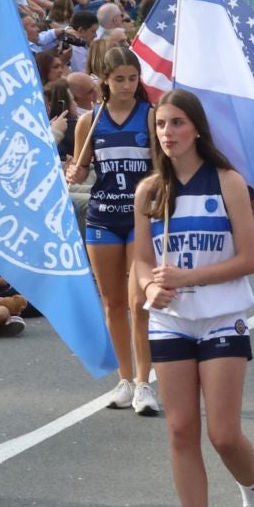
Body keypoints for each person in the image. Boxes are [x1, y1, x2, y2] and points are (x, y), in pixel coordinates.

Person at [131, 89, 254, 507]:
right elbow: (142, 261)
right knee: (180, 429)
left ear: (196, 128)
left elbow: (248, 260)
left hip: (221, 316)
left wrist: (187, 277)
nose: (168, 133)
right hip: (170, 322)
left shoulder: (228, 182)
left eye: (177, 123)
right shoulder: (149, 191)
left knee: (224, 433)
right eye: (161, 125)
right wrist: (151, 285)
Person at [67, 46, 159, 416]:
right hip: (102, 217)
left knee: (138, 302)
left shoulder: (150, 117)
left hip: (140, 219)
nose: (126, 85)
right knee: (113, 302)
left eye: (132, 78)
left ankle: (144, 381)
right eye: (119, 79)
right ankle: (124, 379)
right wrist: (74, 172)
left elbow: (161, 169)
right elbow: (82, 170)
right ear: (105, 80)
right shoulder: (89, 121)